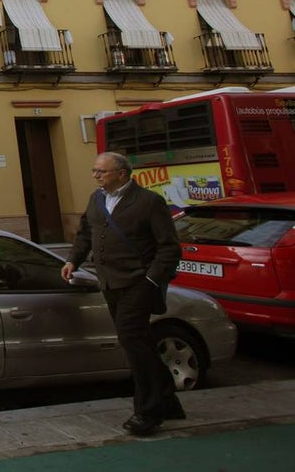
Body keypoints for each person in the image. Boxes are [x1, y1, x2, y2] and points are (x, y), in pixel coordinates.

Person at [61, 151, 183, 436]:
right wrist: (72, 260)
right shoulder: (97, 199)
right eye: (94, 171)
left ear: (122, 173)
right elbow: (85, 234)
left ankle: (148, 412)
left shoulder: (149, 202)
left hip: (138, 282)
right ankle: (168, 400)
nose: (95, 175)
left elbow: (169, 247)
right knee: (139, 341)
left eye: (101, 171)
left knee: (132, 341)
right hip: (109, 282)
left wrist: (152, 279)